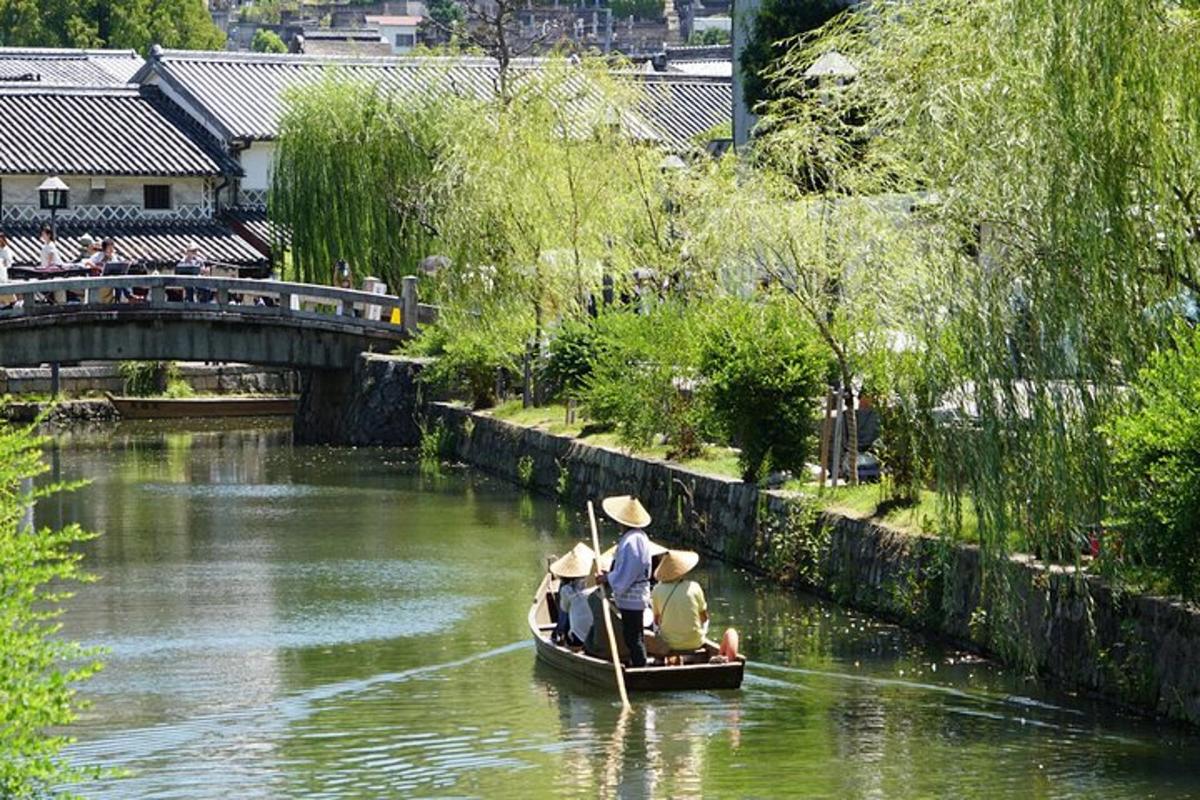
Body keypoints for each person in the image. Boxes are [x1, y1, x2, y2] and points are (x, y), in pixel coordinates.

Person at [597, 494, 653, 668]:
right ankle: (640, 663)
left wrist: (608, 577)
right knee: (635, 634)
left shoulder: (632, 541)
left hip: (632, 597)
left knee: (632, 636)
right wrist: (612, 575)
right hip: (637, 595)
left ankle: (641, 668)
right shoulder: (640, 537)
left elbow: (627, 573)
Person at [647, 549, 708, 658]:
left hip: (668, 644)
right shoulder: (694, 586)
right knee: (704, 617)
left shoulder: (657, 589)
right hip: (695, 642)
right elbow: (704, 618)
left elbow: (657, 620)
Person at [547, 542, 595, 647]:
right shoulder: (597, 587)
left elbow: (564, 616)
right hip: (597, 635)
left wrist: (557, 633)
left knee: (567, 612)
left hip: (578, 638)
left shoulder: (567, 590)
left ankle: (561, 639)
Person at [0, 231, 13, 308]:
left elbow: (9, 262)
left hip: (3, 271)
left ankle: (6, 303)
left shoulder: (6, 250)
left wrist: (4, 262)